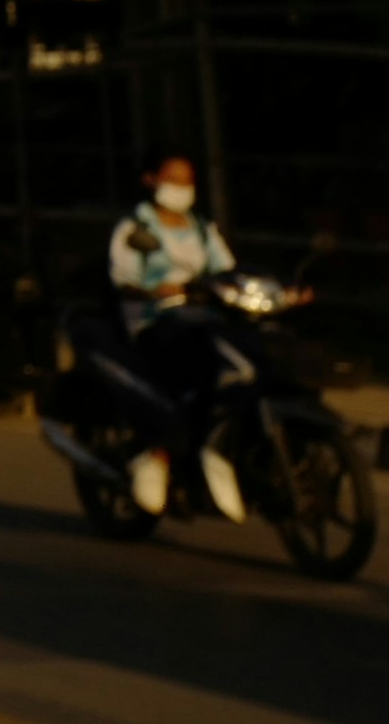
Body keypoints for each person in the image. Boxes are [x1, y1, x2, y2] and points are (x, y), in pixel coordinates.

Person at [109, 151, 247, 521]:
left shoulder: (202, 228)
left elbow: (225, 271)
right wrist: (155, 291)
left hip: (203, 320)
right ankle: (157, 452)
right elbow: (125, 280)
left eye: (187, 181)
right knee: (188, 370)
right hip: (155, 324)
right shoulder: (136, 229)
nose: (180, 188)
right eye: (172, 179)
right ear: (151, 180)